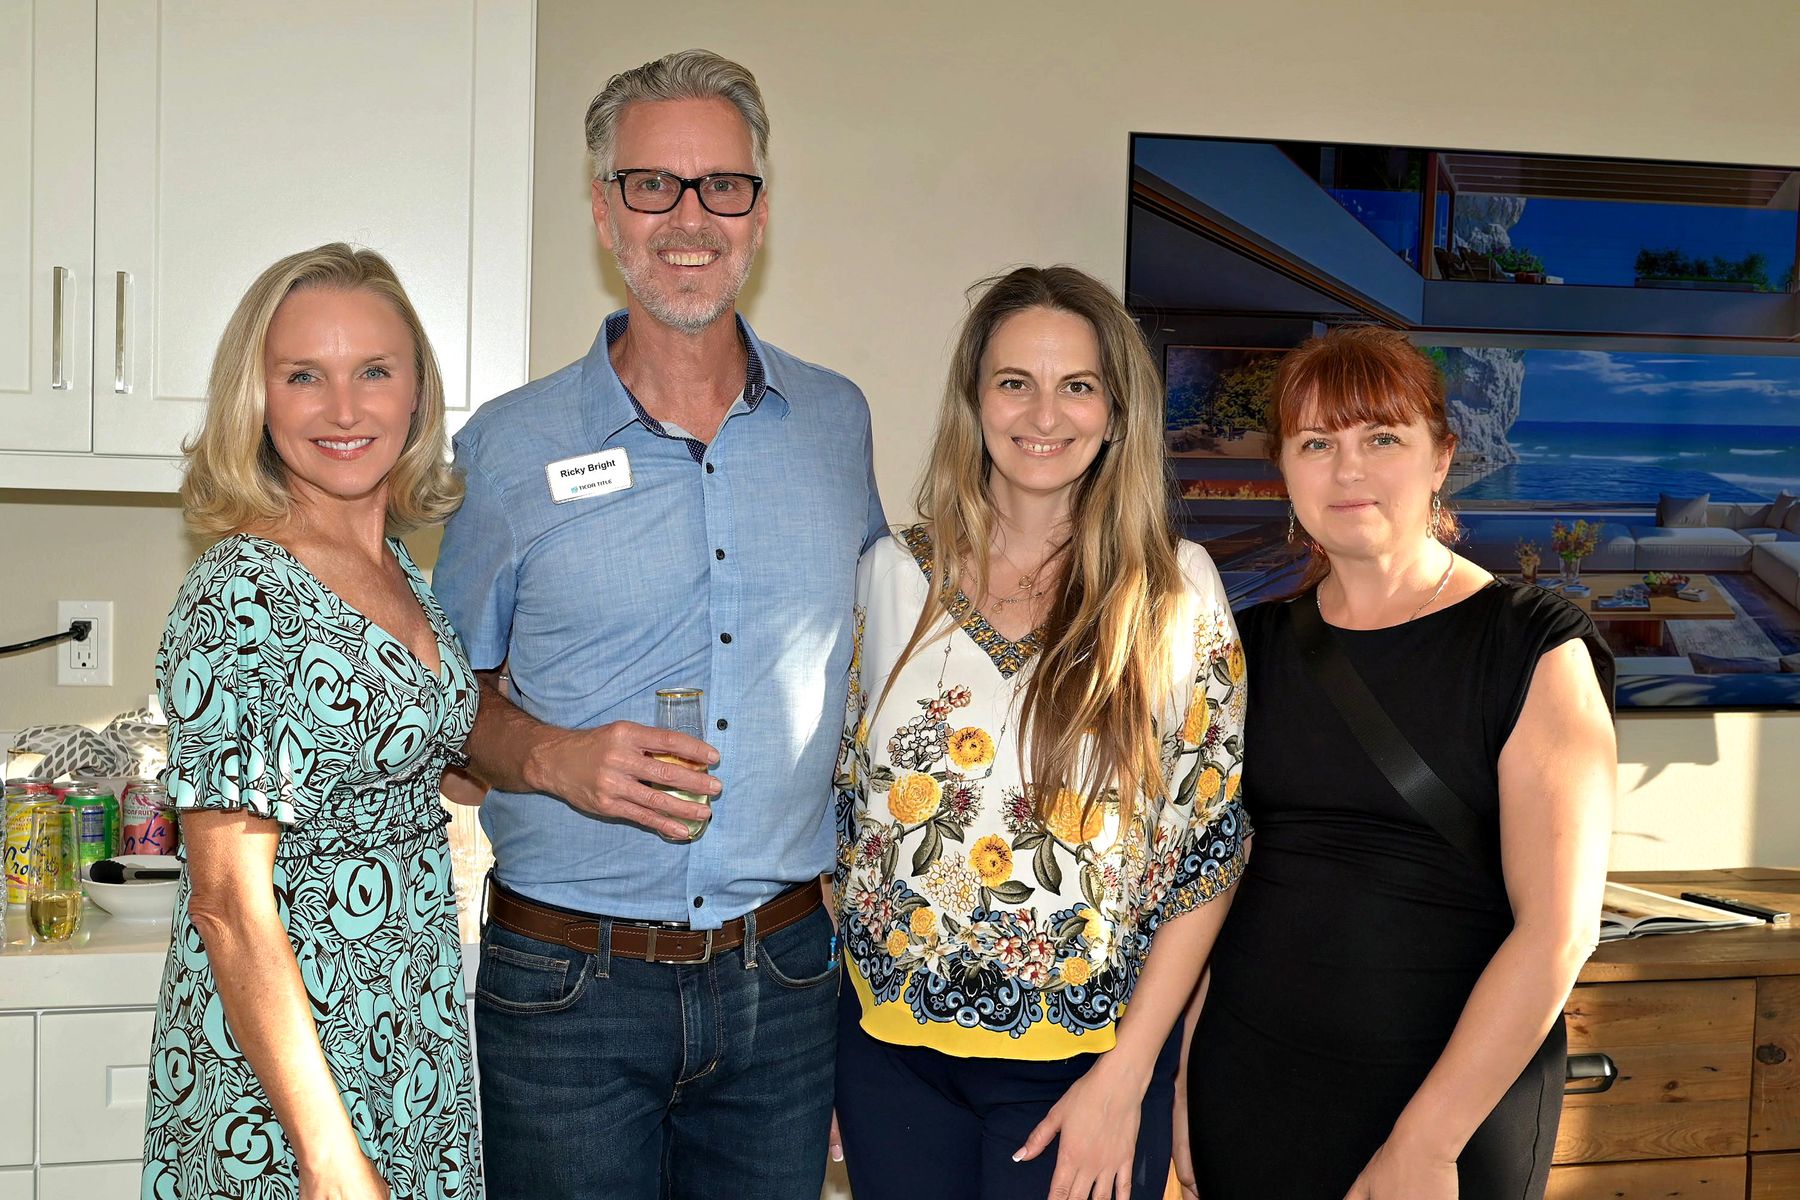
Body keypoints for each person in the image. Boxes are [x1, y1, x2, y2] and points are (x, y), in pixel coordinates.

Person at [430, 49, 883, 1200]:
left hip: (787, 979)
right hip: (567, 987)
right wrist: (552, 757)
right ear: (604, 211)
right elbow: (442, 707)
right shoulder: (509, 449)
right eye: (652, 185)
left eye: (721, 186)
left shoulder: (837, 423)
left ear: (759, 213)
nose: (690, 219)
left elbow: (883, 667)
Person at [831, 265, 1249, 1200]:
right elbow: (843, 824)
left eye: (1078, 385)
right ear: (974, 399)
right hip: (891, 1062)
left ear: (1116, 412)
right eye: (1015, 381)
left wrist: (1130, 1076)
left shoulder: (1175, 589)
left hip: (1087, 1067)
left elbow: (1207, 853)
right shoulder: (890, 574)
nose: (1044, 414)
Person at [1181, 325, 1616, 1200]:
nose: (1349, 470)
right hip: (1252, 1079)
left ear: (1441, 457)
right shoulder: (1245, 648)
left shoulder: (1531, 645)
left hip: (1455, 1102)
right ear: (1285, 469)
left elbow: (1559, 930)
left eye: (1382, 438)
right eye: (1316, 443)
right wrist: (1185, 1080)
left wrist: (1424, 1144)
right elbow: (1219, 888)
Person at [142, 243, 481, 1200]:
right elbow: (227, 903)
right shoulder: (241, 595)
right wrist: (326, 1155)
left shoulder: (394, 566)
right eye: (303, 376)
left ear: (417, 392)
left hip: (407, 1032)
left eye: (374, 371)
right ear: (257, 399)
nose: (343, 410)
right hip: (289, 1073)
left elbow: (400, 763)